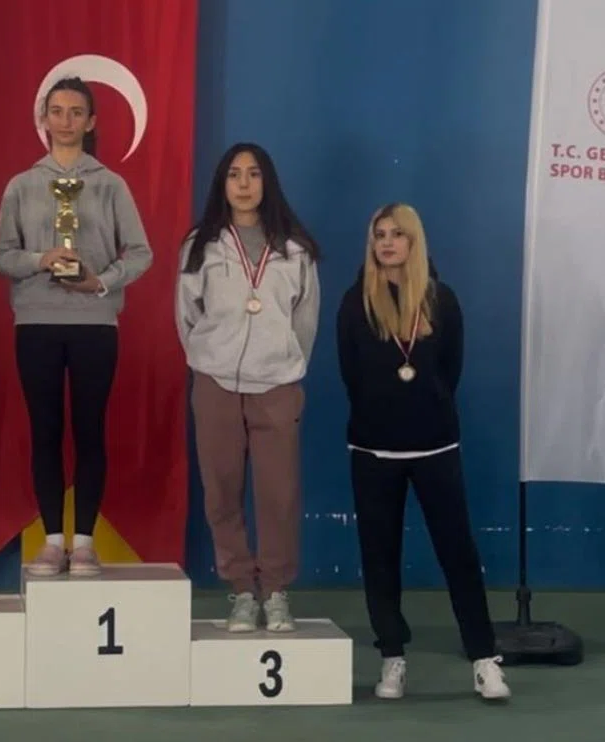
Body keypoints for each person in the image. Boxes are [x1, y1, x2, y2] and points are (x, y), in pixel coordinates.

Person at [335, 202, 511, 700]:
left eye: (397, 234)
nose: (387, 243)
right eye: (379, 235)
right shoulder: (356, 303)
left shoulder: (441, 300)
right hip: (373, 450)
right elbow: (350, 373)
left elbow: (450, 370)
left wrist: (426, 408)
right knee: (380, 558)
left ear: (414, 242)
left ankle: (484, 660)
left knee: (458, 554)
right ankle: (392, 658)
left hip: (435, 446)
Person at [0, 76, 153, 577]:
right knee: (44, 430)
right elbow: (0, 256)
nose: (65, 121)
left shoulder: (110, 185)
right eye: (56, 111)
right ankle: (51, 540)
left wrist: (100, 282)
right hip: (36, 322)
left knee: (89, 429)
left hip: (94, 324)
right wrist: (40, 259)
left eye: (76, 112)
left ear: (91, 121)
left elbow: (141, 253)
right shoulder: (21, 185)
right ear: (43, 118)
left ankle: (83, 542)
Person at [175, 143, 321, 632]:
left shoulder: (295, 248)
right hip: (215, 382)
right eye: (234, 174)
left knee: (279, 494)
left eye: (253, 174)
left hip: (276, 384)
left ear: (267, 182)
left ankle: (275, 591)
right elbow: (186, 315)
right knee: (221, 491)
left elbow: (305, 321)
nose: (243, 184)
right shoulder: (201, 244)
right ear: (222, 183)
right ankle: (240, 589)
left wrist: (285, 362)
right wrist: (208, 359)